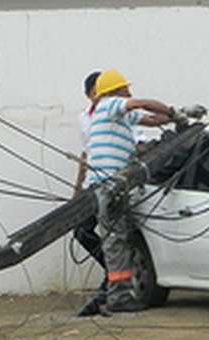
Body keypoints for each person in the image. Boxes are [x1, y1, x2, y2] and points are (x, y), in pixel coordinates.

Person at [84, 69, 178, 313]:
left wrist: (176, 119)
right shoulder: (110, 104)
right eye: (126, 89)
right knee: (116, 241)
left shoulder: (116, 116)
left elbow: (150, 120)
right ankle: (119, 298)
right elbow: (145, 104)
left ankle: (120, 294)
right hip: (109, 186)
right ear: (115, 91)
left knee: (119, 240)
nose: (130, 92)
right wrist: (172, 112)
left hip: (110, 186)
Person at [72, 71, 109, 317]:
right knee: (82, 231)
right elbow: (85, 154)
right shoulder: (84, 119)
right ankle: (110, 270)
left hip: (111, 181)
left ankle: (112, 283)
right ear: (88, 95)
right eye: (96, 91)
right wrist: (77, 189)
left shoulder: (116, 112)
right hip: (92, 184)